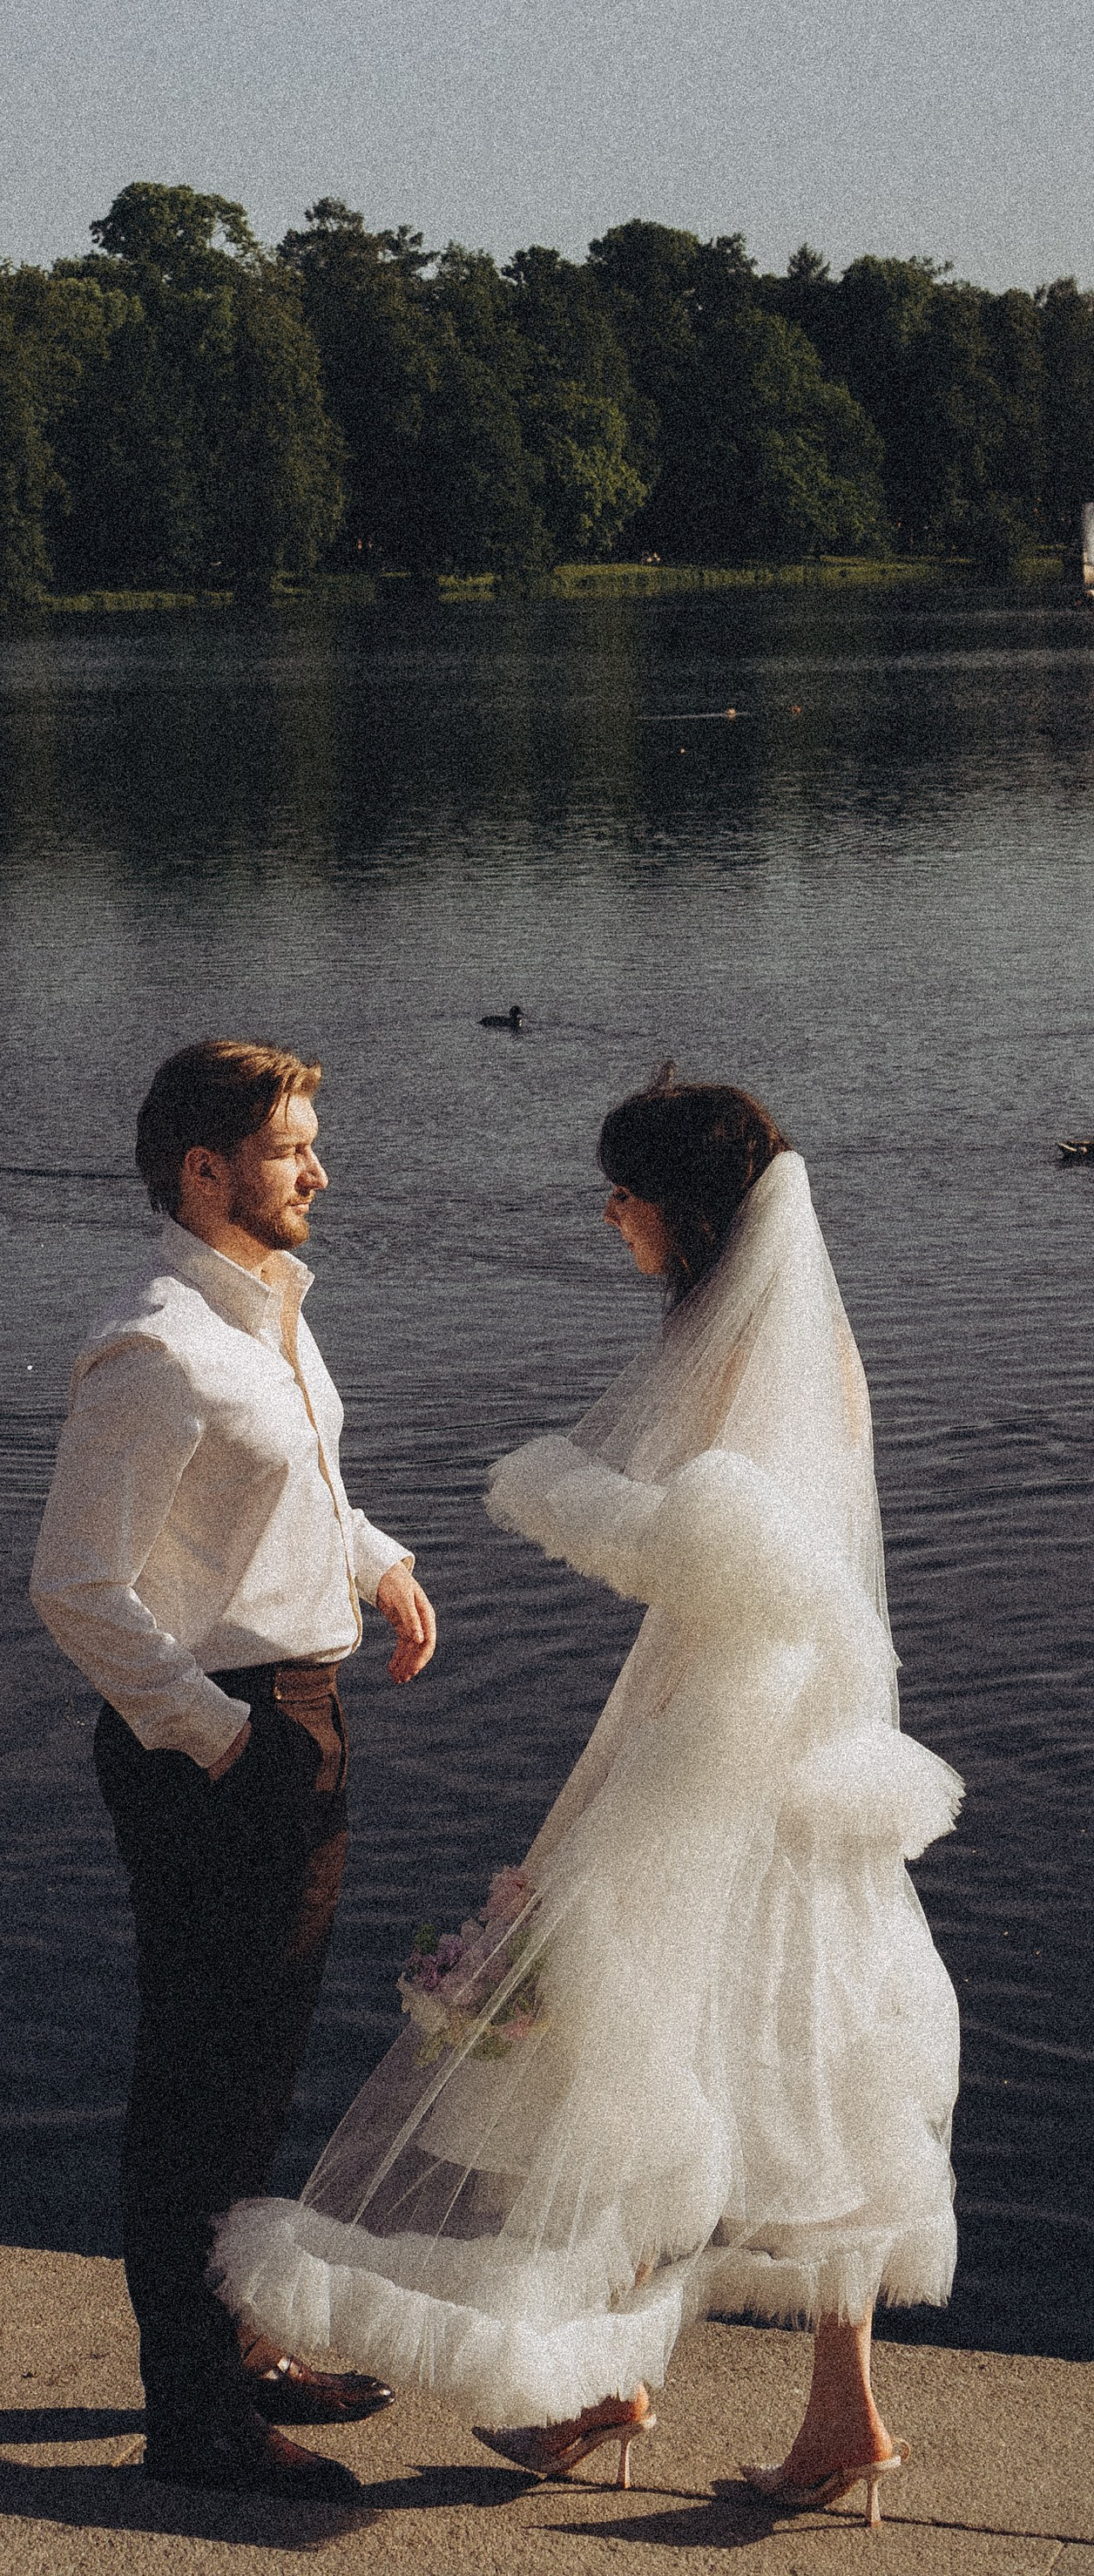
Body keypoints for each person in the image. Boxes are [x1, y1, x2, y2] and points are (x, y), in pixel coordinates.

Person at [215, 1070, 962, 2532]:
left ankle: (592, 2387)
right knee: (803, 2068)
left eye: (620, 1192)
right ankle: (835, 2413)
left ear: (679, 1211)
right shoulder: (823, 1350)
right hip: (809, 1762)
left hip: (713, 1759)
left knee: (614, 2065)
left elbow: (725, 1585)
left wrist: (564, 1525)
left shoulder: (745, 1365)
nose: (607, 1216)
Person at [31, 1038, 438, 2503]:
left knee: (256, 2070)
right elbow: (77, 1587)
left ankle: (243, 2343)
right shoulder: (155, 1348)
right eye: (289, 1150)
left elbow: (283, 1489)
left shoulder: (265, 1313)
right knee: (201, 2084)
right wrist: (222, 1738)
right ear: (204, 1171)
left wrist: (375, 1560)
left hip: (290, 1713)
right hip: (218, 1737)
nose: (319, 1171)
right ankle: (192, 2415)